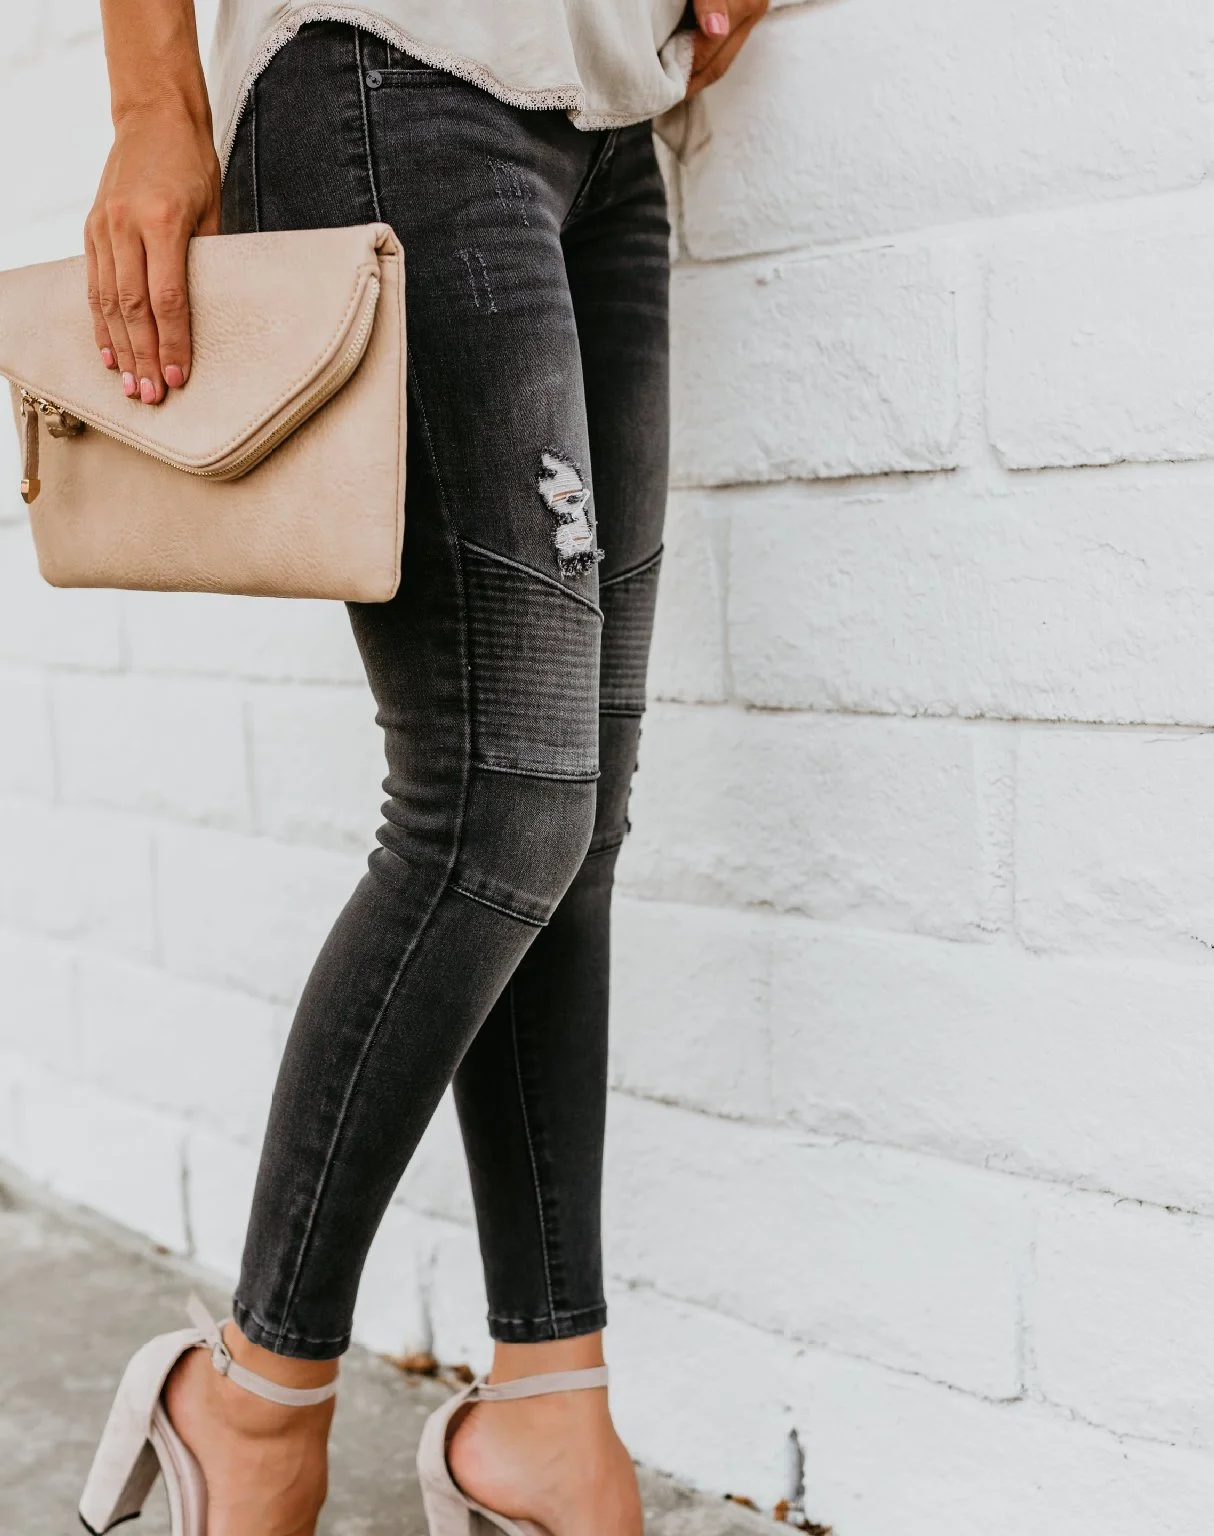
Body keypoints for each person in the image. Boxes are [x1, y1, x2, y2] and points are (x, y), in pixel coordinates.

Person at [78, 3, 763, 1533]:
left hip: (611, 114)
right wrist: (150, 103)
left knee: (573, 815)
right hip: (391, 68)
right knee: (496, 805)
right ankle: (251, 1396)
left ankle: (550, 1409)